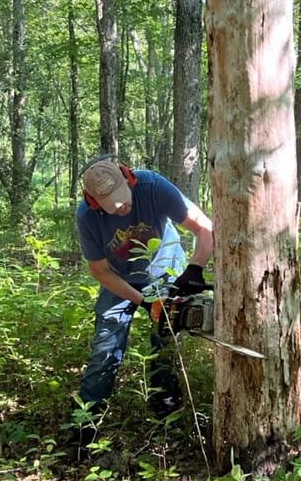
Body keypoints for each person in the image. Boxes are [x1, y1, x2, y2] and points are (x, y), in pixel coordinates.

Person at [70, 157, 213, 455]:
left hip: (163, 268)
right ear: (95, 203)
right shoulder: (87, 216)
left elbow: (204, 228)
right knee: (105, 348)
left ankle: (166, 416)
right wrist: (145, 303)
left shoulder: (153, 187)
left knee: (166, 341)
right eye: (113, 207)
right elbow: (99, 271)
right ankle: (86, 424)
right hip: (119, 278)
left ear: (129, 180)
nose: (121, 209)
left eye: (123, 200)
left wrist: (195, 269)